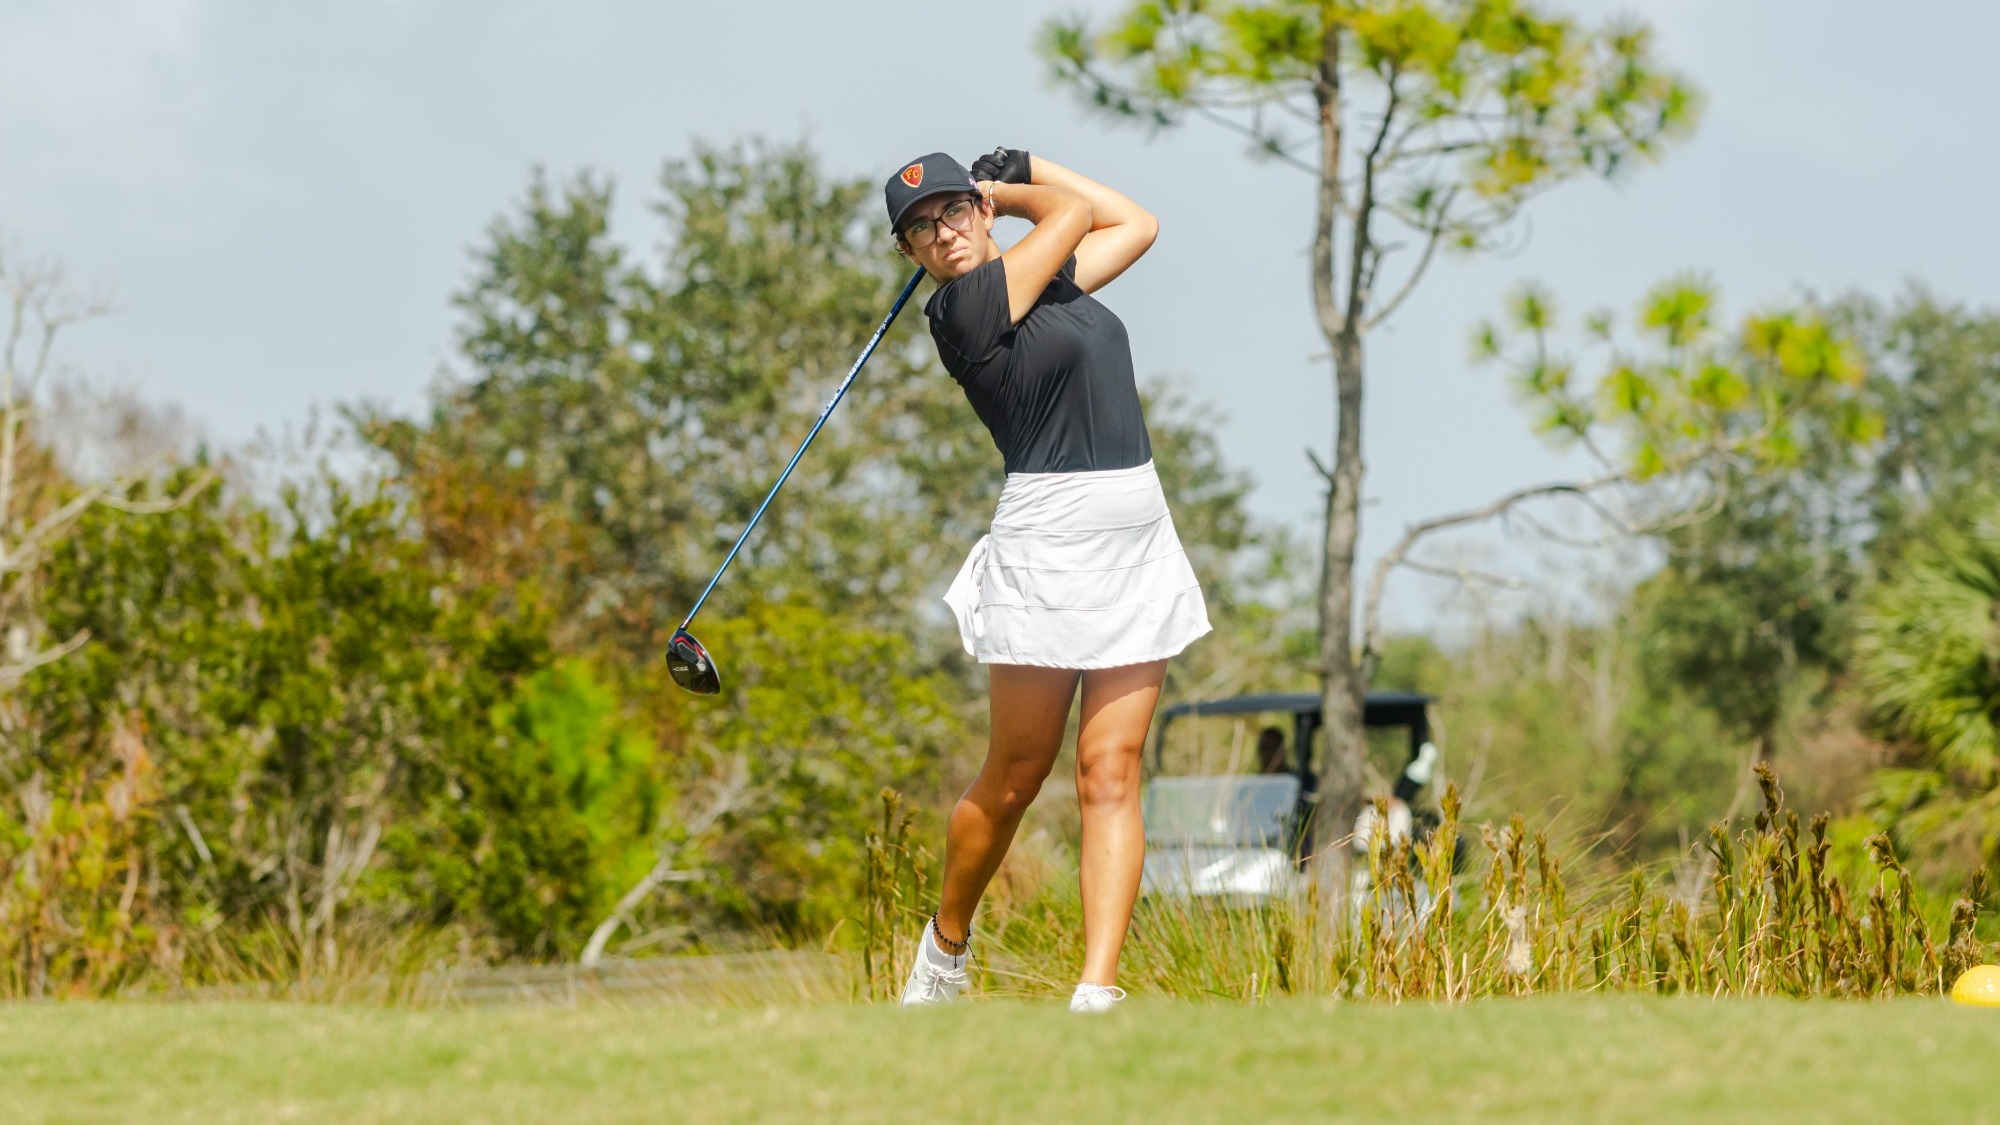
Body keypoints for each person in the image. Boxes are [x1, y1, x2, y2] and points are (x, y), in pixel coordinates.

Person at [885, 148, 1210, 1013]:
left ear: (981, 221)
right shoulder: (961, 308)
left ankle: (1097, 989)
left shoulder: (1055, 283)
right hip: (1049, 545)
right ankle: (945, 948)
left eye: (952, 211)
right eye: (920, 228)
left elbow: (1135, 222)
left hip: (1136, 530)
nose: (941, 231)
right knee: (1017, 773)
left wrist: (1037, 159)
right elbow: (1067, 214)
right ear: (912, 255)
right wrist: (1011, 187)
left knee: (1112, 768)